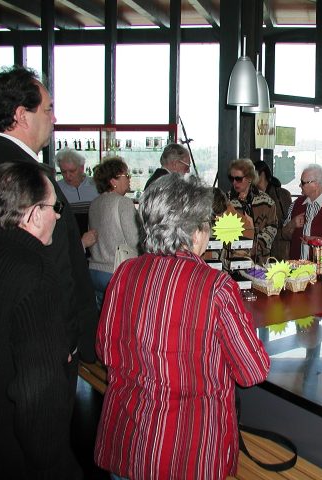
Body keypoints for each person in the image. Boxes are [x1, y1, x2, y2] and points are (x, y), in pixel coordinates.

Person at [94, 173, 270, 479]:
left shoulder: (125, 273)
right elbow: (252, 370)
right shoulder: (215, 287)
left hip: (126, 442)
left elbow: (104, 349)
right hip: (186, 450)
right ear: (197, 232)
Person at [0, 66, 98, 370]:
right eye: (48, 109)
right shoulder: (31, 179)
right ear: (22, 115)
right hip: (38, 347)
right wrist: (69, 339)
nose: (54, 118)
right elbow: (55, 265)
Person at [0, 162, 82, 478]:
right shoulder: (35, 272)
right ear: (33, 214)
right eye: (54, 208)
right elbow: (38, 386)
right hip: (22, 451)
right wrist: (51, 459)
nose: (57, 216)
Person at [88, 157, 140, 308]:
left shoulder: (94, 203)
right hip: (116, 270)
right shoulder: (123, 202)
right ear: (113, 181)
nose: (129, 179)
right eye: (126, 175)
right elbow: (134, 240)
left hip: (94, 270)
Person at [227, 158, 277, 264]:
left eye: (238, 179)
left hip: (260, 262)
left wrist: (256, 247)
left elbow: (272, 228)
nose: (234, 182)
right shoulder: (226, 202)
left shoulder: (267, 201)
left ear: (250, 178)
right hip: (233, 262)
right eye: (232, 178)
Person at [255, 160, 292, 260]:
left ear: (262, 174)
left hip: (279, 249)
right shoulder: (250, 195)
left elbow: (288, 221)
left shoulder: (282, 194)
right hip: (259, 250)